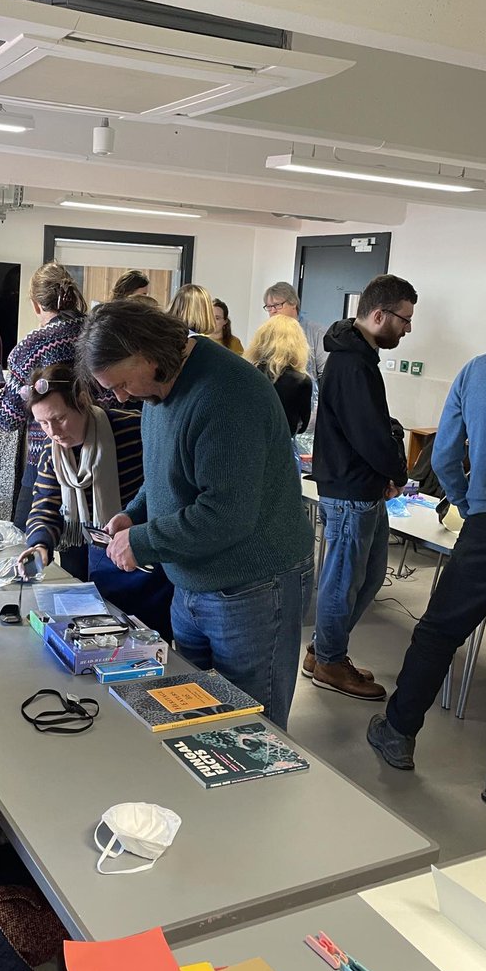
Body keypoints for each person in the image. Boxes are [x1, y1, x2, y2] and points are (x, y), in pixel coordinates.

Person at [368, 275, 486, 807]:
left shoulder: (481, 369)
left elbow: (445, 457)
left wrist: (471, 505)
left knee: (438, 632)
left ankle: (399, 733)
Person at [79, 300, 314, 728]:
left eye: (121, 384)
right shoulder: (159, 384)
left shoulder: (226, 395)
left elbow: (225, 513)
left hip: (252, 588)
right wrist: (134, 515)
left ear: (148, 355)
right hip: (190, 583)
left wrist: (145, 542)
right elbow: (168, 473)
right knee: (195, 720)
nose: (120, 397)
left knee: (250, 727)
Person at [307, 273, 417, 699]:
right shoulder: (352, 363)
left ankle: (324, 650)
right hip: (351, 491)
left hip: (361, 488)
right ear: (378, 314)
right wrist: (397, 472)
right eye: (404, 320)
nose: (407, 328)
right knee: (343, 580)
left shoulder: (359, 357)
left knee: (368, 576)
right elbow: (368, 434)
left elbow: (373, 425)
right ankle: (330, 663)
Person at [16, 364, 173, 636]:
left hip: (143, 558)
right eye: (42, 423)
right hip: (91, 555)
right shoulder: (51, 449)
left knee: (149, 635)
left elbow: (160, 486)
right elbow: (45, 503)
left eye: (60, 418)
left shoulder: (131, 429)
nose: (52, 431)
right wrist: (40, 545)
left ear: (82, 401)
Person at [0, 262, 90, 530]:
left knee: (26, 542)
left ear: (36, 305)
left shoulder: (32, 347)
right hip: (98, 457)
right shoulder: (98, 334)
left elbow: (5, 417)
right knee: (85, 552)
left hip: (45, 459)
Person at [245, 315, 313, 437]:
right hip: (282, 444)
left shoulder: (247, 373)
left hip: (248, 441)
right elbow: (303, 426)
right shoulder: (302, 381)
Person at [263, 281, 327, 383]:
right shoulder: (264, 336)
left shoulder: (317, 333)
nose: (273, 311)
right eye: (269, 307)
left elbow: (326, 375)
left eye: (277, 305)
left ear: (293, 303)